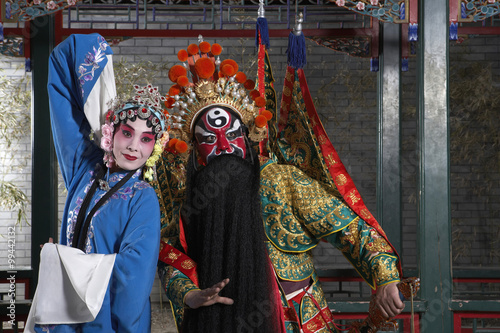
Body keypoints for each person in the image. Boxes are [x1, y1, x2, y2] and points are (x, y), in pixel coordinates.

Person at [155, 40, 404, 332]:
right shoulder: (190, 198)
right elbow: (171, 257)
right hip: (221, 321)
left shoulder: (281, 181)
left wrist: (386, 277)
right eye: (209, 140)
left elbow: (352, 228)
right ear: (195, 148)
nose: (224, 147)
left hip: (294, 318)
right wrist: (190, 294)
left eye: (232, 135)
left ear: (248, 137)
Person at [26, 34, 167, 332]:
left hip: (106, 324)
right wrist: (98, 58)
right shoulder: (86, 169)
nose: (133, 146)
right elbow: (62, 70)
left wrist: (65, 260)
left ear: (154, 148)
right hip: (65, 316)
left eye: (145, 139)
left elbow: (133, 276)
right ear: (110, 133)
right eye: (126, 133)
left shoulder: (142, 198)